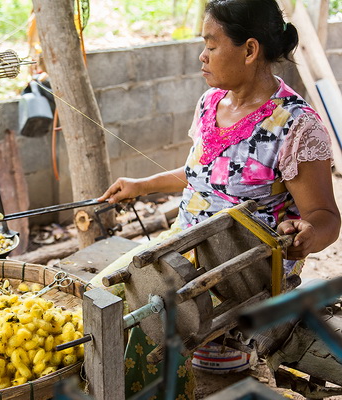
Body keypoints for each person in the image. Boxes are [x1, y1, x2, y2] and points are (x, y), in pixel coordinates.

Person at [90, 0, 341, 398]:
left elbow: (326, 216)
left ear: (250, 50)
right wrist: (142, 184)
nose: (201, 55)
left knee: (136, 327)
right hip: (180, 254)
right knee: (101, 298)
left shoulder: (297, 126)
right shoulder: (211, 103)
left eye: (211, 44)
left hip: (242, 275)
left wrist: (306, 232)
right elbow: (203, 176)